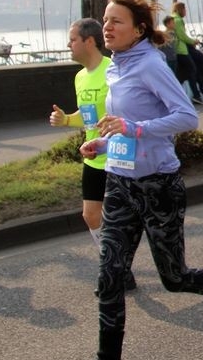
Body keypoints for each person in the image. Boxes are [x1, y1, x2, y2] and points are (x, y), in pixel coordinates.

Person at [60, 0, 203, 360]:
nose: (107, 27)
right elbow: (124, 124)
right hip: (118, 182)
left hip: (157, 186)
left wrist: (132, 129)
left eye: (116, 21)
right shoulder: (116, 66)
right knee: (109, 275)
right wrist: (101, 141)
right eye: (105, 20)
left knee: (174, 276)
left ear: (140, 29)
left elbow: (186, 116)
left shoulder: (149, 63)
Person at [48, 18, 137, 291]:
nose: (68, 44)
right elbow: (88, 118)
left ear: (89, 41)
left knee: (120, 218)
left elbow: (127, 111)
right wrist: (66, 120)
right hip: (92, 156)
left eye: (72, 39)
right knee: (91, 215)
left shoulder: (113, 70)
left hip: (116, 156)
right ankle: (117, 266)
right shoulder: (80, 77)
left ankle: (115, 270)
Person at [168, 1, 203, 103]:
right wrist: (193, 41)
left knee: (179, 73)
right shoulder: (178, 20)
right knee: (192, 70)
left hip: (175, 50)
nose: (185, 11)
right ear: (180, 9)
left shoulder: (172, 17)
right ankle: (195, 95)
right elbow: (182, 35)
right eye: (185, 9)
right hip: (181, 50)